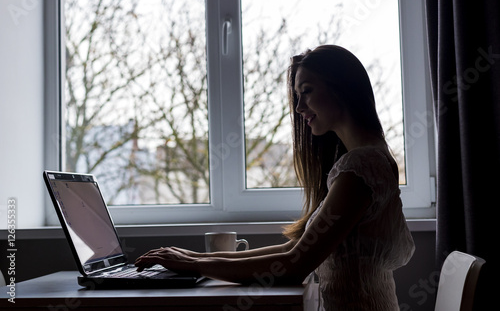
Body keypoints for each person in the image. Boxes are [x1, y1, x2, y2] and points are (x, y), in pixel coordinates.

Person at [135, 45, 415, 310]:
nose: (299, 107)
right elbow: (294, 248)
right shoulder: (371, 159)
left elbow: (294, 264)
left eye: (306, 91)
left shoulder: (361, 167)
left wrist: (195, 265)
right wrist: (195, 258)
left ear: (340, 87)